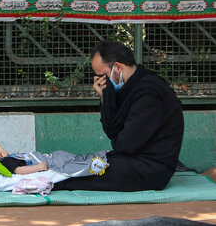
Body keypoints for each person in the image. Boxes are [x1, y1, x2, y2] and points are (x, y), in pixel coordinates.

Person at [53, 40, 184, 192]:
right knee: (85, 164)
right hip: (132, 159)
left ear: (117, 67)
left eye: (103, 75)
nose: (100, 81)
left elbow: (124, 145)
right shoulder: (131, 86)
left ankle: (43, 181)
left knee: (78, 176)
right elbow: (113, 131)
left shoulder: (149, 93)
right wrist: (104, 97)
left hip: (150, 170)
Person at [0, 140, 108, 177]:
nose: (5, 150)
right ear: (0, 155)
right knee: (68, 167)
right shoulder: (5, 161)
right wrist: (38, 167)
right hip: (48, 162)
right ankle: (94, 164)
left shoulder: (7, 158)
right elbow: (19, 170)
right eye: (2, 149)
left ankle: (98, 157)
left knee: (72, 158)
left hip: (50, 157)